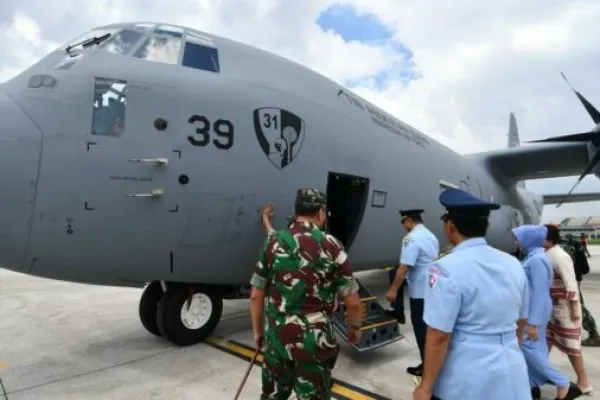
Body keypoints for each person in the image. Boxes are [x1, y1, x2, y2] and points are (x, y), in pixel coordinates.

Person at [413, 188, 531, 400]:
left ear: (449, 227)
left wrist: (425, 387)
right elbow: (521, 321)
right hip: (513, 373)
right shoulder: (513, 264)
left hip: (468, 379)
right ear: (487, 225)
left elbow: (439, 336)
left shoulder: (444, 268)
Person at [249, 188, 363, 400]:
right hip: (315, 342)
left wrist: (259, 332)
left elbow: (256, 294)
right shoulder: (332, 245)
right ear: (321, 213)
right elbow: (353, 302)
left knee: (274, 395)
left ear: (295, 210)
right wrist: (355, 327)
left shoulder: (272, 242)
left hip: (277, 338)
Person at [513, 225, 582, 400]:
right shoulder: (536, 257)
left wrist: (533, 323)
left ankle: (563, 383)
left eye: (520, 238)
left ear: (528, 240)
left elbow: (540, 292)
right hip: (535, 312)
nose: (517, 242)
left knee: (528, 347)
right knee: (537, 349)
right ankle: (532, 385)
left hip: (533, 314)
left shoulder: (536, 260)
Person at [385, 209, 439, 378]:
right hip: (432, 288)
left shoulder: (411, 238)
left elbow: (404, 266)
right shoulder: (431, 235)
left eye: (403, 223)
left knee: (420, 329)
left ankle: (427, 367)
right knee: (431, 329)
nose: (403, 227)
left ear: (408, 220)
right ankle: (434, 363)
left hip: (419, 293)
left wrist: (393, 289)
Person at [542, 225, 592, 396]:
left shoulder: (560, 256)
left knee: (572, 347)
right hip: (552, 308)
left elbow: (571, 283)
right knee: (543, 345)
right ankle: (536, 378)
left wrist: (575, 309)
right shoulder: (548, 254)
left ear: (548, 239)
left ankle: (584, 381)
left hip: (564, 309)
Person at [563, 234, 600, 347]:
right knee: (578, 305)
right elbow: (585, 269)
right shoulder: (577, 246)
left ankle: (594, 334)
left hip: (569, 281)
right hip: (575, 280)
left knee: (578, 306)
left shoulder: (565, 248)